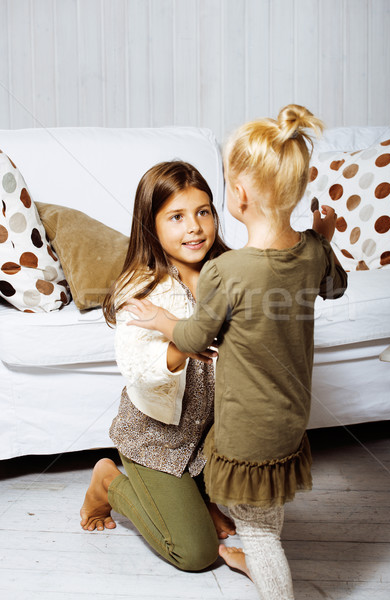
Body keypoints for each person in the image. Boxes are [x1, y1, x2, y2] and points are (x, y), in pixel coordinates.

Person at [124, 104, 348, 599]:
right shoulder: (312, 252)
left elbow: (195, 338)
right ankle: (234, 535)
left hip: (246, 431)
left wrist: (162, 320)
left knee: (262, 534)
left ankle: (269, 577)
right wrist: (324, 241)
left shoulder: (228, 273)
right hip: (290, 422)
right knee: (266, 511)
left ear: (238, 196)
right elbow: (333, 287)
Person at [79, 160, 236, 572]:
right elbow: (138, 366)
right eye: (177, 217)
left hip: (208, 433)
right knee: (197, 554)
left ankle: (201, 496)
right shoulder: (142, 286)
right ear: (151, 225)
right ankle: (108, 482)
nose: (195, 228)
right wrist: (182, 344)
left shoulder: (228, 273)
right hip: (157, 436)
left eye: (203, 212)